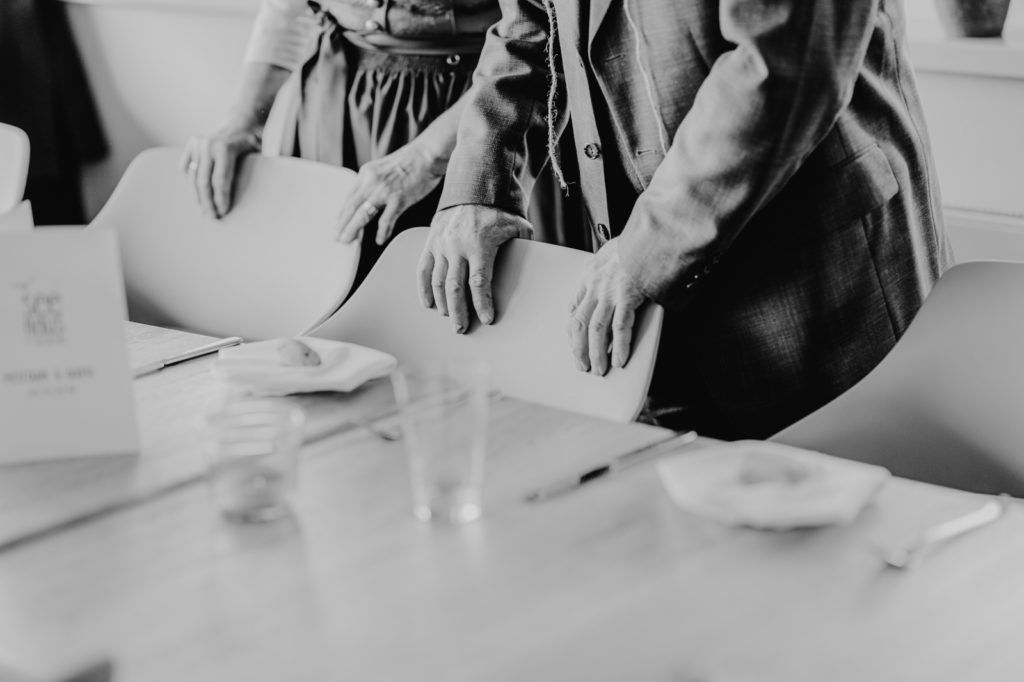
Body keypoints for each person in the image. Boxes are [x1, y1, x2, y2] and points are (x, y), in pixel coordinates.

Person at [418, 0, 953, 440]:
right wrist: (478, 186)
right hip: (642, 294)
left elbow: (785, 65)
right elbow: (529, 20)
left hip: (813, 275)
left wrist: (647, 252)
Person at [181, 0, 503, 284]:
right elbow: (286, 9)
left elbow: (535, 33)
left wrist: (429, 155)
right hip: (332, 102)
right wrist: (245, 120)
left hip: (474, 112)